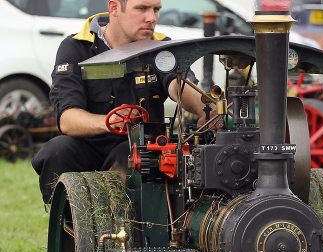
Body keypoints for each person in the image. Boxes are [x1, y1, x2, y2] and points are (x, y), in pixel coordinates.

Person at [32, 0, 207, 204]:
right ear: (114, 8)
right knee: (56, 151)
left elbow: (178, 86)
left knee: (130, 155)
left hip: (141, 149)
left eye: (156, 9)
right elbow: (67, 119)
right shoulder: (76, 47)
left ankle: (133, 228)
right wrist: (109, 121)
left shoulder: (162, 48)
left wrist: (205, 108)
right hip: (89, 146)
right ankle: (69, 226)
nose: (152, 18)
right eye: (142, 9)